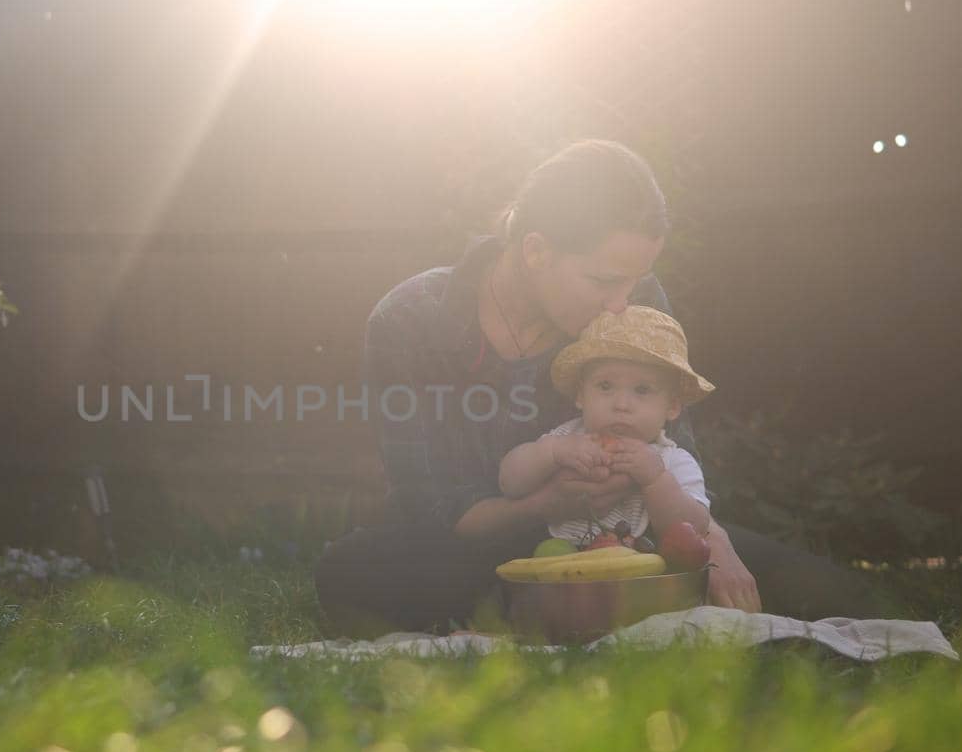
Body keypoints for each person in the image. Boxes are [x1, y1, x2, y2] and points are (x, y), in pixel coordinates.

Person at [313, 139, 893, 635]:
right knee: (351, 572)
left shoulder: (633, 300)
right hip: (476, 550)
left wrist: (713, 544)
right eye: (604, 280)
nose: (623, 302)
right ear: (536, 249)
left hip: (636, 537)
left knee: (824, 590)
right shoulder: (411, 320)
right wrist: (549, 504)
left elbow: (675, 446)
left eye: (635, 281)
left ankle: (594, 610)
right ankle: (603, 611)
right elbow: (435, 512)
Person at [500, 306, 713, 549]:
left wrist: (656, 480)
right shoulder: (566, 439)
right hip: (556, 569)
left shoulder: (671, 461)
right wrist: (550, 453)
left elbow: (695, 528)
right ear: (581, 395)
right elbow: (509, 483)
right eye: (605, 386)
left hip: (636, 577)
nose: (621, 405)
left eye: (642, 390)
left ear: (672, 406)